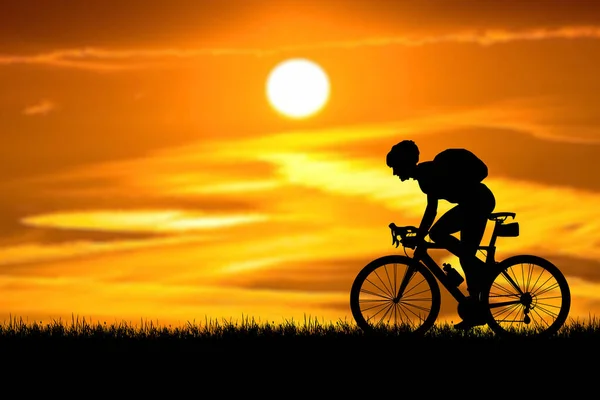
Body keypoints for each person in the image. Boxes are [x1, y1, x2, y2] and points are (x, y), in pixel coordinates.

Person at [386, 139, 496, 329]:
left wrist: (420, 235)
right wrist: (419, 233)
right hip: (474, 203)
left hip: (477, 203)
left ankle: (482, 278)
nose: (395, 173)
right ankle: (476, 306)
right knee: (463, 255)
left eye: (395, 167)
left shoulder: (427, 174)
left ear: (405, 163)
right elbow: (431, 211)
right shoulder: (425, 175)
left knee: (444, 238)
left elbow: (431, 211)